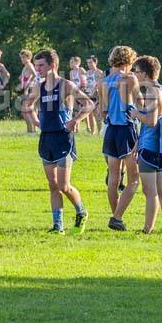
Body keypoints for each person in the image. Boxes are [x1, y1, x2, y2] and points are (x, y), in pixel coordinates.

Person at [23, 49, 93, 234]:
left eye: (41, 65)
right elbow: (26, 106)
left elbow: (89, 104)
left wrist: (75, 120)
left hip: (64, 139)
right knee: (53, 185)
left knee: (64, 185)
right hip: (46, 138)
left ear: (52, 65)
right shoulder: (39, 86)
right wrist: (36, 121)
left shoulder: (65, 85)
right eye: (36, 65)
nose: (37, 69)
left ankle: (81, 211)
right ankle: (58, 226)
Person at [130, 55, 162, 234]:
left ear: (145, 73)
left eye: (137, 71)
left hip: (151, 147)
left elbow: (152, 121)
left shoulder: (151, 92)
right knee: (161, 190)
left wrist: (136, 114)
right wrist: (136, 145)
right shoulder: (161, 89)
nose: (135, 75)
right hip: (160, 147)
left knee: (150, 191)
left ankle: (147, 229)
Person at [99, 46, 140, 231]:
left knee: (113, 177)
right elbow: (140, 103)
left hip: (111, 130)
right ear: (129, 61)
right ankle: (117, 216)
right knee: (134, 178)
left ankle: (116, 216)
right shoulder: (130, 78)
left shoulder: (104, 81)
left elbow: (103, 111)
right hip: (126, 128)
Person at [17, 50, 38, 133]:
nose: (22, 59)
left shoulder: (29, 65)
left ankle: (31, 130)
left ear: (28, 57)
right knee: (28, 110)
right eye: (21, 57)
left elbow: (35, 75)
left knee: (25, 110)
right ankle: (31, 129)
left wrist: (28, 84)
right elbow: (26, 76)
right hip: (27, 89)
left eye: (23, 57)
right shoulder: (26, 66)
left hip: (29, 89)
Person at [82, 56, 102, 135]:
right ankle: (92, 132)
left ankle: (99, 132)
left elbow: (99, 85)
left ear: (95, 63)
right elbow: (85, 84)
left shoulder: (99, 72)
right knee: (89, 114)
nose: (89, 64)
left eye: (90, 62)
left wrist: (93, 92)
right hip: (88, 94)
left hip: (96, 95)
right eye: (88, 63)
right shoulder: (87, 73)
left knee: (97, 114)